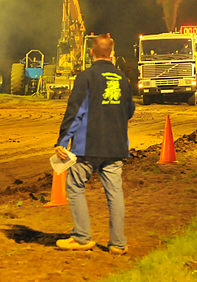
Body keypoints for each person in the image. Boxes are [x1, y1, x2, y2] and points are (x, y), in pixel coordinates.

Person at [54, 34, 135, 253]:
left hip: (88, 147)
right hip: (116, 146)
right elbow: (129, 111)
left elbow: (75, 110)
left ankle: (82, 237)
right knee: (115, 193)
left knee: (74, 186)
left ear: (91, 52)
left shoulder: (86, 77)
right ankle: (118, 244)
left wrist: (62, 140)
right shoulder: (122, 79)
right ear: (112, 53)